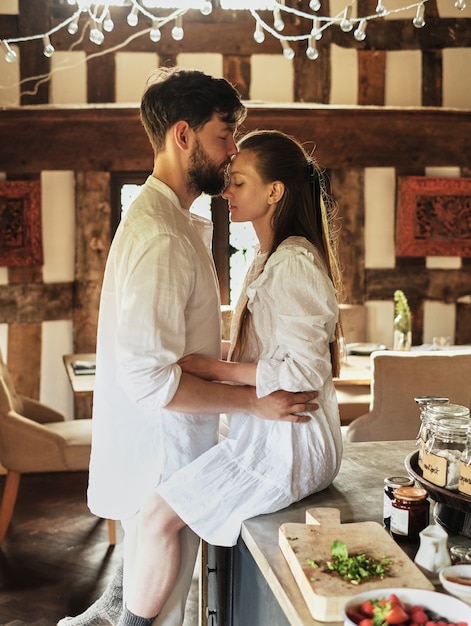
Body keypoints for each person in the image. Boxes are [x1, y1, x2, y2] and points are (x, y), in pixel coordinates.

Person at [58, 71, 317, 626]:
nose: (230, 154)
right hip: (163, 454)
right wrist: (253, 402)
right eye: (225, 136)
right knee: (162, 613)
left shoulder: (167, 221)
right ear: (183, 135)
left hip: (167, 448)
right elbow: (150, 378)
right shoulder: (161, 236)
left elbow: (176, 345)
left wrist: (226, 361)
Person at [115, 129, 344, 626]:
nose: (226, 191)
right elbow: (264, 354)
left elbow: (306, 371)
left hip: (293, 441)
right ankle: (118, 600)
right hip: (275, 428)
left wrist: (213, 368)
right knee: (157, 483)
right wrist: (200, 357)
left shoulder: (293, 264)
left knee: (157, 514)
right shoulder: (267, 258)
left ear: (274, 192)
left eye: (238, 182)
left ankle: (126, 621)